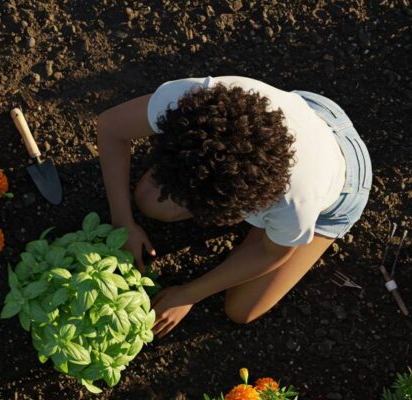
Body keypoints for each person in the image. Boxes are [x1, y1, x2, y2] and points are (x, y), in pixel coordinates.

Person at [97, 76, 372, 337]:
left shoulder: (296, 203)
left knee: (242, 309)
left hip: (345, 181)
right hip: (310, 110)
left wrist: (189, 293)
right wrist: (124, 223)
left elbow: (272, 255)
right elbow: (110, 127)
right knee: (149, 201)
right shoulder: (198, 100)